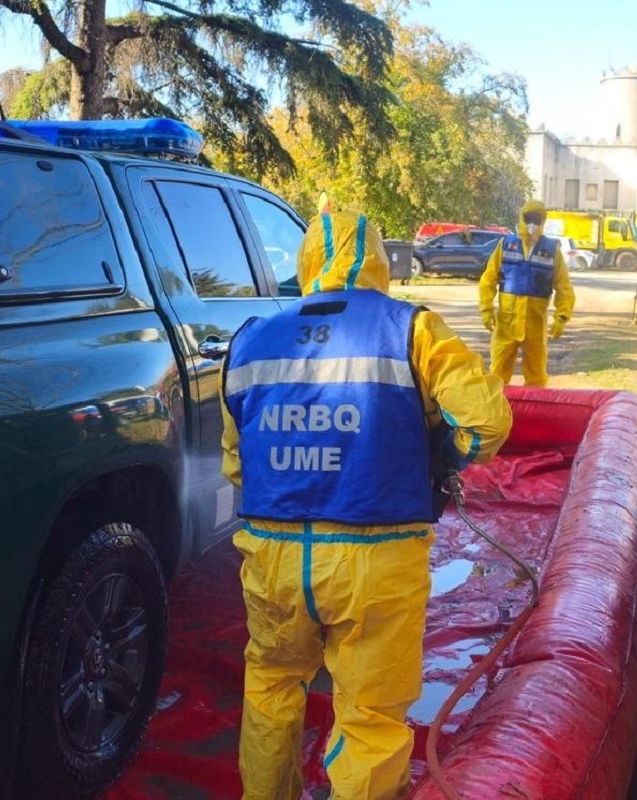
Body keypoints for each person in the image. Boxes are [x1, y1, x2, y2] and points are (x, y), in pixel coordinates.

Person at [220, 210, 512, 799]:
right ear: (380, 260)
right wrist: (443, 454)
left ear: (304, 265)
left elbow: (236, 460)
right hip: (375, 559)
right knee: (371, 718)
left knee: (271, 688)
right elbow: (483, 423)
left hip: (273, 558)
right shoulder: (413, 330)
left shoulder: (251, 338)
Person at [478, 199, 575, 386]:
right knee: (497, 374)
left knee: (536, 376)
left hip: (535, 325)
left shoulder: (551, 250)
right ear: (521, 218)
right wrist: (486, 309)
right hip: (506, 323)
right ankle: (496, 411)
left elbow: (563, 285)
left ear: (543, 221)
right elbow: (488, 279)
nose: (532, 224)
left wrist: (562, 317)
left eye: (537, 219)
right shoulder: (506, 245)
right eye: (529, 218)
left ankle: (536, 412)